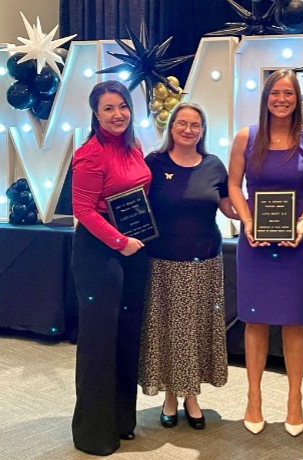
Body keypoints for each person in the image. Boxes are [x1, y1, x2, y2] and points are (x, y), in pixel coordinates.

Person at [228, 69, 303, 437]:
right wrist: (247, 221)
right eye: (275, 93)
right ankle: (253, 399)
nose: (281, 99)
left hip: (296, 244)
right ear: (265, 96)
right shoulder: (246, 137)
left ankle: (294, 401)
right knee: (255, 321)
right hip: (253, 241)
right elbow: (235, 185)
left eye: (289, 93)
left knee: (294, 322)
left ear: (298, 98)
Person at [138, 102, 237, 430]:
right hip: (163, 262)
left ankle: (192, 396)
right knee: (167, 331)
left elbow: (228, 207)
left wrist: (264, 215)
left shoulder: (214, 165)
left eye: (196, 125)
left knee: (195, 332)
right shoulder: (153, 163)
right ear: (171, 127)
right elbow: (135, 203)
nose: (188, 129)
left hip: (205, 263)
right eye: (182, 123)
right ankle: (169, 396)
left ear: (203, 130)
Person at [71, 80, 151, 456]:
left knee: (126, 337)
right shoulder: (90, 153)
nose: (117, 114)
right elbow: (83, 211)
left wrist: (133, 240)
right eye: (108, 108)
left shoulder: (133, 146)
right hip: (99, 253)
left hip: (133, 250)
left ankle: (121, 420)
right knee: (99, 341)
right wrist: (120, 241)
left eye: (122, 106)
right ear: (95, 113)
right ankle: (93, 433)